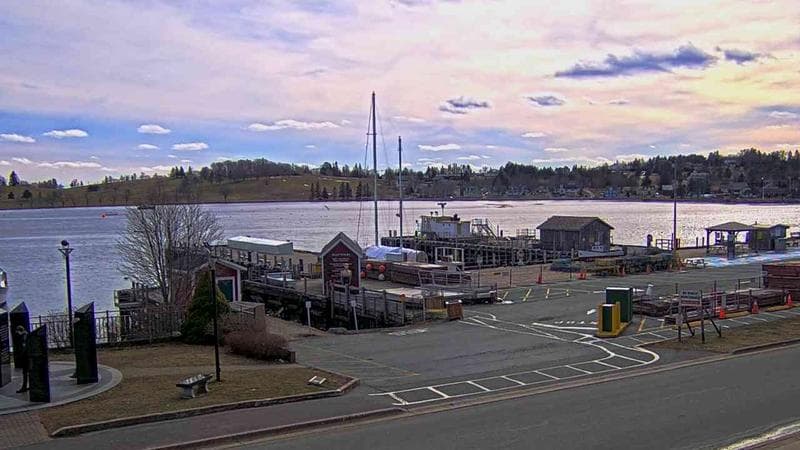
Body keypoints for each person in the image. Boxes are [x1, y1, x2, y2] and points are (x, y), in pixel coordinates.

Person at [15, 326, 29, 393]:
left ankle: (24, 387)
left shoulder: (24, 336)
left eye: (17, 331)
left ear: (20, 330)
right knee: (27, 372)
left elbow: (24, 347)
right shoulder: (27, 335)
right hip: (27, 356)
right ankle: (27, 386)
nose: (17, 333)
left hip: (25, 357)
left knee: (25, 372)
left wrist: (21, 355)